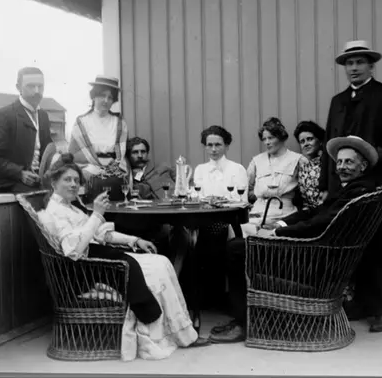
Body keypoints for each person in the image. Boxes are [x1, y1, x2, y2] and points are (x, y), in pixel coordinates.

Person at [37, 153, 210, 360]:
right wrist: (97, 214)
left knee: (162, 261)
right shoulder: (55, 212)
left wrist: (134, 240)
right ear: (54, 183)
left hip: (98, 257)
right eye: (67, 180)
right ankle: (159, 336)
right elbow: (74, 250)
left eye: (76, 180)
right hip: (88, 269)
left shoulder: (71, 207)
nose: (74, 184)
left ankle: (181, 331)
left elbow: (101, 233)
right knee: (155, 269)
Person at [209, 136, 379, 344]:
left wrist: (277, 234)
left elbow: (320, 223)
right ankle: (256, 314)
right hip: (320, 255)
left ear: (363, 166)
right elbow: (314, 212)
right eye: (340, 161)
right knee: (242, 244)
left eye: (349, 162)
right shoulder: (354, 189)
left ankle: (243, 323)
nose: (342, 166)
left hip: (313, 260)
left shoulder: (357, 192)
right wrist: (281, 224)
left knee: (236, 248)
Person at [320, 40, 382, 333]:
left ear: (371, 66)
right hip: (342, 187)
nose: (354, 68)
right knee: (350, 244)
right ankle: (359, 303)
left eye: (360, 62)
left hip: (376, 184)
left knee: (377, 245)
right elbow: (329, 144)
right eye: (349, 63)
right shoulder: (338, 101)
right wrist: (326, 184)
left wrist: (373, 156)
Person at [191, 126, 249, 309]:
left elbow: (241, 201)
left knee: (214, 233)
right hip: (203, 219)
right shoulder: (200, 170)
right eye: (209, 145)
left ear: (226, 146)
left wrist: (215, 202)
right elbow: (197, 198)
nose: (213, 149)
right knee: (185, 236)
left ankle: (218, 297)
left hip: (231, 220)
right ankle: (204, 296)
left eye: (218, 145)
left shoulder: (237, 169)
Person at [0, 67, 53, 194]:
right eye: (31, 86)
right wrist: (19, 173)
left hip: (36, 181)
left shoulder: (43, 116)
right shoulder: (4, 116)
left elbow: (47, 151)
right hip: (7, 184)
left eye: (40, 86)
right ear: (18, 87)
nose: (37, 91)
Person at [241, 117, 307, 236]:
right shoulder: (257, 161)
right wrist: (258, 196)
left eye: (271, 138)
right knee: (245, 238)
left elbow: (307, 192)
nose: (267, 142)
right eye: (264, 139)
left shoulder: (298, 160)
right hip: (257, 213)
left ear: (281, 137)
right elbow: (245, 189)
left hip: (284, 214)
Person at [68, 75, 130, 202]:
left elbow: (121, 153)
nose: (106, 100)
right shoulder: (82, 122)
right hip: (88, 167)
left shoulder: (119, 123)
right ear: (94, 96)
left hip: (114, 168)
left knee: (118, 182)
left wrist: (113, 165)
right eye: (102, 95)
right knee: (96, 182)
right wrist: (98, 165)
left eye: (110, 97)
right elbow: (74, 154)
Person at [294, 121, 328, 211]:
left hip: (326, 212)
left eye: (310, 139)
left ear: (320, 141)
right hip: (307, 212)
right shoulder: (301, 167)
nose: (306, 144)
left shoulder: (328, 164)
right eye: (302, 141)